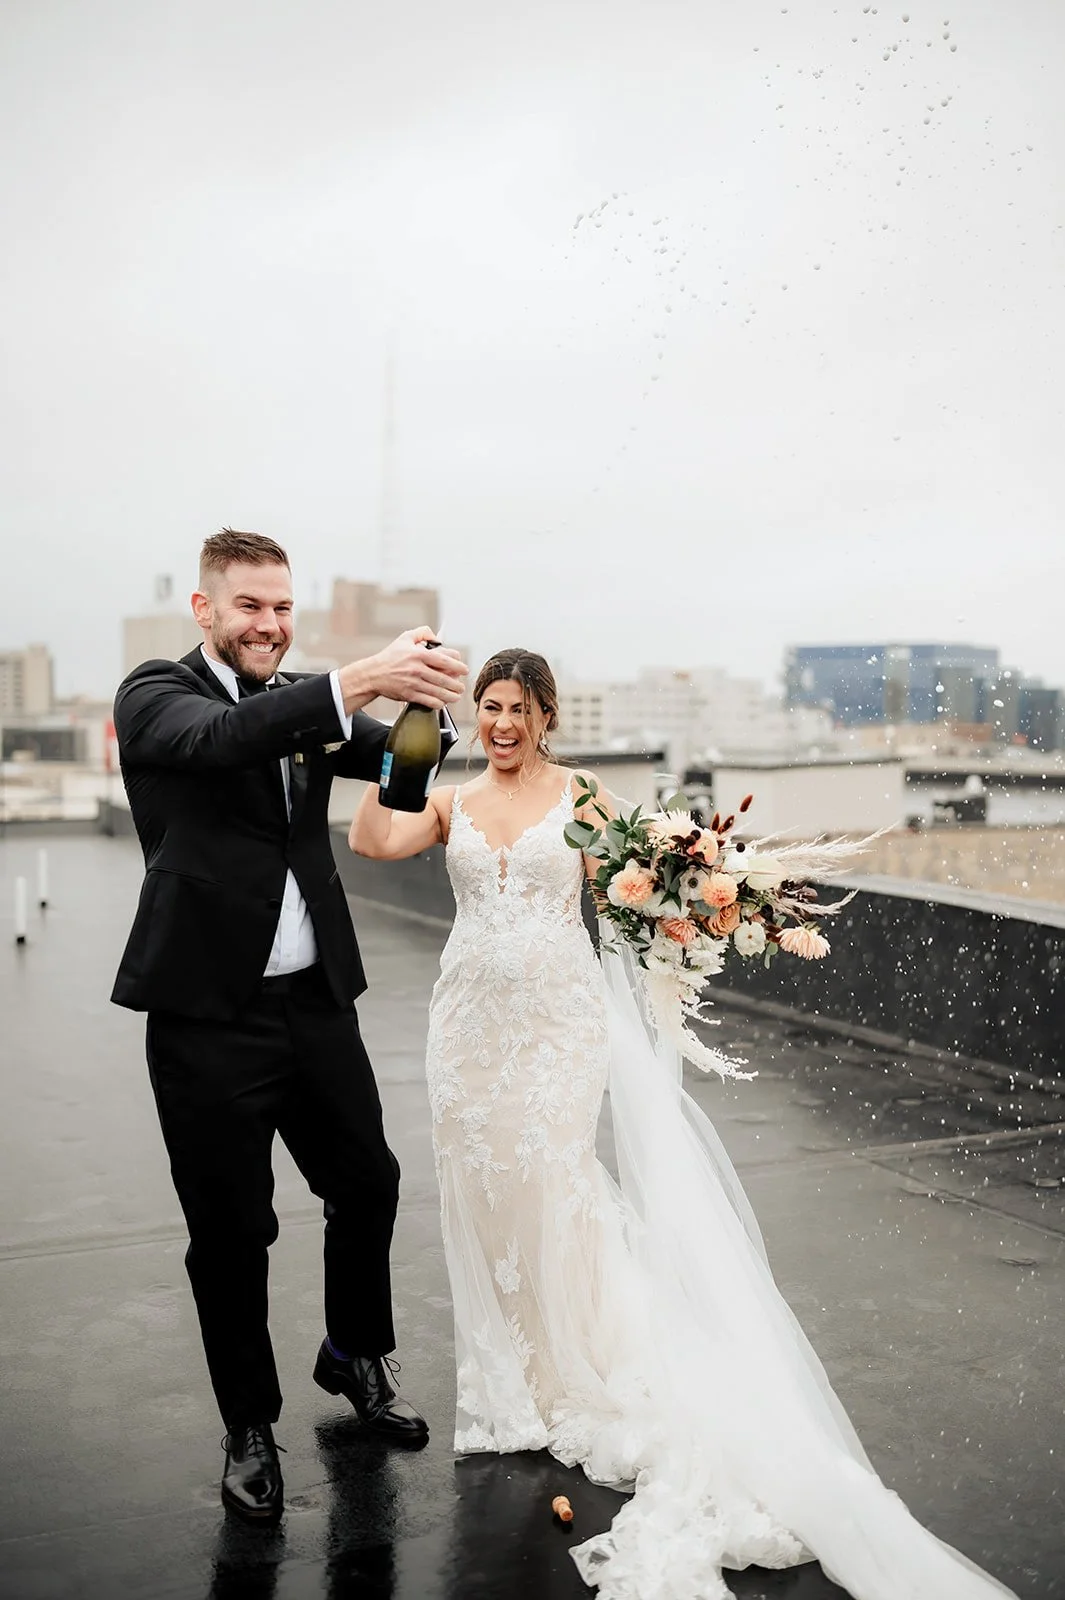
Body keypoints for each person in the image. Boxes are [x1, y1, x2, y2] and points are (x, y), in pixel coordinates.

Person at [349, 646, 1019, 1600]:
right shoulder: (449, 798)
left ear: (545, 717)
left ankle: (578, 1367)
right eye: (487, 708)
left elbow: (644, 883)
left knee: (554, 1181)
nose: (498, 724)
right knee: (480, 1190)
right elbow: (373, 844)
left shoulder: (581, 797)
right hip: (466, 1025)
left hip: (557, 1022)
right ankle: (510, 1387)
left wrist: (700, 895)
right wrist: (400, 763)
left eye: (515, 709)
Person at [111, 528, 467, 1523]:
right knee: (232, 1233)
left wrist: (420, 706)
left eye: (281, 608)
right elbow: (219, 742)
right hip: (204, 1018)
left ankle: (352, 1355)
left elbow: (398, 780)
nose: (268, 624)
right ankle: (250, 1426)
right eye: (250, 606)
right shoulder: (154, 694)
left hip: (314, 1003)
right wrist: (359, 680)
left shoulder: (306, 701)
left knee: (370, 1182)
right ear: (207, 608)